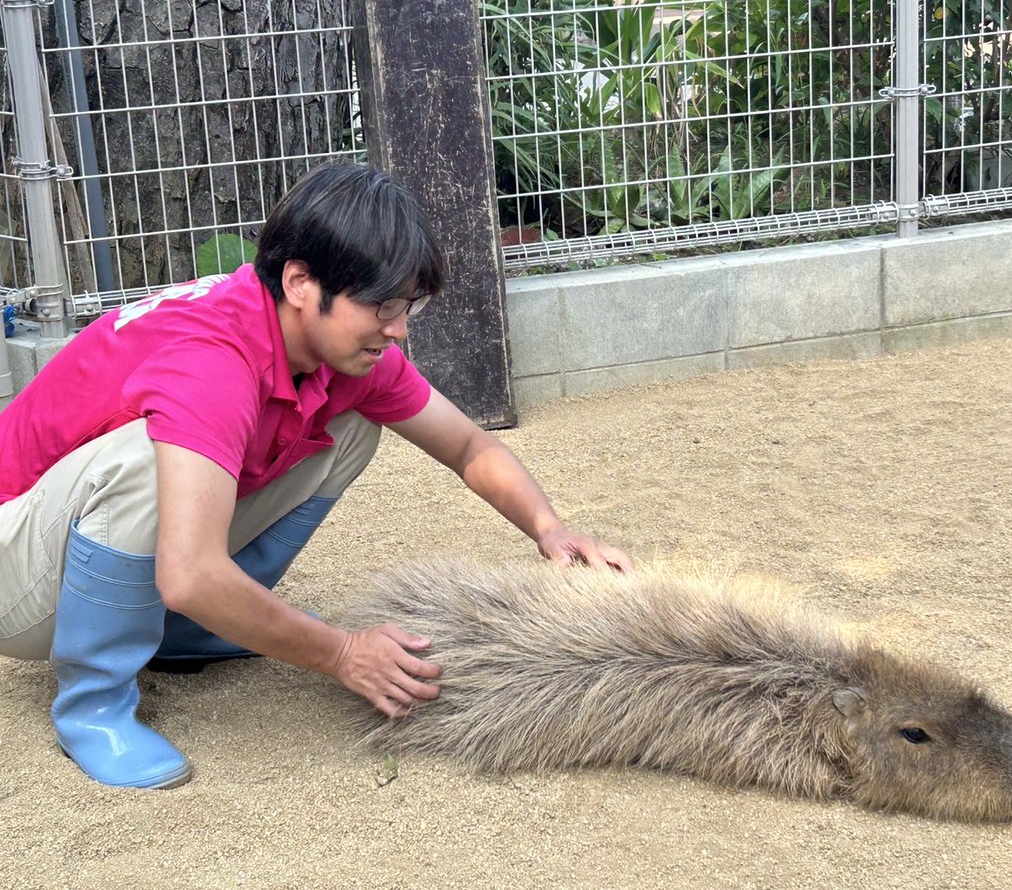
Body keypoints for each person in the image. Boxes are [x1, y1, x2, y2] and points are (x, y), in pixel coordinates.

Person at [0, 162, 631, 791]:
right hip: (16, 576)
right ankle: (94, 705)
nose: (398, 328)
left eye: (408, 305)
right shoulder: (213, 358)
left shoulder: (333, 348)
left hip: (70, 550)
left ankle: (191, 630)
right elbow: (188, 574)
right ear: (300, 282)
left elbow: (468, 447)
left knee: (351, 427)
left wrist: (550, 529)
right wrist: (342, 653)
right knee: (150, 456)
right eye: (382, 305)